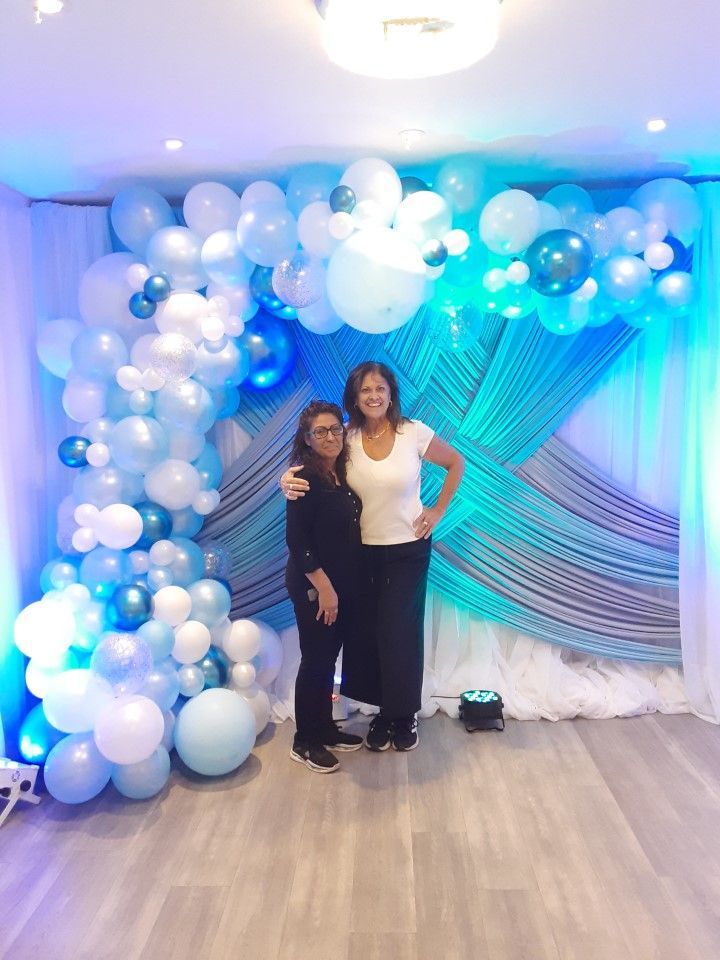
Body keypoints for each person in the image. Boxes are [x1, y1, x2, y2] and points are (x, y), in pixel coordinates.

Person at [282, 361, 465, 753]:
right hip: (359, 554)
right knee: (367, 635)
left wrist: (437, 511)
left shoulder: (413, 432)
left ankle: (404, 714)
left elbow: (455, 463)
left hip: (406, 551)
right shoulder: (344, 436)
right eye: (365, 390)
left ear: (391, 392)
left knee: (398, 631)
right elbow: (316, 470)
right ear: (355, 397)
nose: (373, 395)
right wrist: (287, 479)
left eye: (380, 388)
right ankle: (383, 712)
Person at [285, 400, 365, 773]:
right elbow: (298, 543)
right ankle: (305, 741)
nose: (330, 436)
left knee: (326, 660)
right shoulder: (304, 479)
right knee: (315, 661)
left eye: (336, 429)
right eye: (321, 431)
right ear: (307, 437)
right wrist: (326, 589)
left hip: (339, 585)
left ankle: (325, 728)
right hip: (313, 587)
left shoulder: (339, 473)